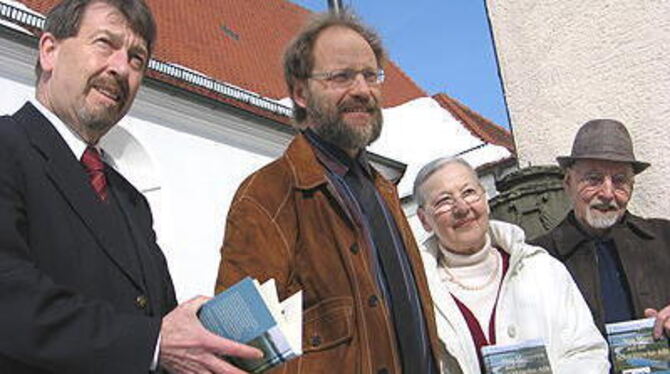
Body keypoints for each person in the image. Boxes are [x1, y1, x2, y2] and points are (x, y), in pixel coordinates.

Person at [0, 0, 261, 373]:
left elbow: (158, 316)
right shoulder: (7, 147)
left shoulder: (130, 199)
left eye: (137, 59)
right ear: (49, 51)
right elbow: (8, 298)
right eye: (105, 43)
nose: (121, 69)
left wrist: (206, 344)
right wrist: (152, 343)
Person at [215, 10, 461, 374]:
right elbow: (240, 349)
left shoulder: (383, 190)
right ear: (300, 92)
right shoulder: (267, 195)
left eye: (370, 75)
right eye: (341, 77)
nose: (362, 90)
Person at [414, 157, 609, 374]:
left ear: (485, 198)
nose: (462, 208)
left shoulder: (541, 269)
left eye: (469, 192)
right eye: (443, 201)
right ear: (424, 220)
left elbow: (587, 351)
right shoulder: (417, 293)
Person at [531, 119, 670, 338]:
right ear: (568, 183)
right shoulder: (538, 257)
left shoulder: (665, 238)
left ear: (631, 187)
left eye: (619, 181)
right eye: (594, 179)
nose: (607, 193)